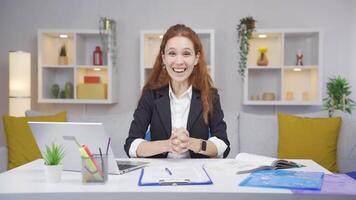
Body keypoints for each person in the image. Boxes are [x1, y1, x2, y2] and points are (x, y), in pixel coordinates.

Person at [124, 24, 230, 158]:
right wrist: (168, 145)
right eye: (172, 53)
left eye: (186, 53)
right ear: (164, 58)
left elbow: (222, 145)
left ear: (196, 58)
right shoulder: (150, 94)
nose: (179, 61)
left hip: (198, 174)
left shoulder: (210, 95)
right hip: (158, 174)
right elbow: (132, 144)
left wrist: (191, 143)